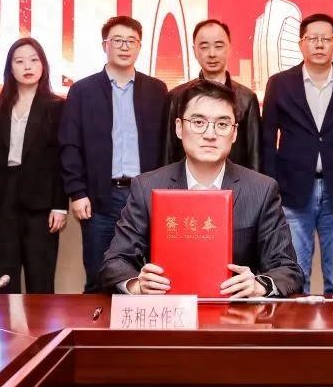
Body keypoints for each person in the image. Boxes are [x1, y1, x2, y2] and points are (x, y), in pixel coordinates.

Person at [99, 80, 304, 297]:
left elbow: (288, 268)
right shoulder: (147, 187)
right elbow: (115, 262)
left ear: (234, 133)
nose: (210, 134)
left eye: (222, 124)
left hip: (236, 311)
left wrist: (258, 286)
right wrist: (137, 285)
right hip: (168, 311)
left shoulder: (261, 190)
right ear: (179, 127)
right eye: (198, 122)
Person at [260, 13, 333, 294]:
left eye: (326, 39)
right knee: (295, 277)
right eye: (312, 38)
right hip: (292, 191)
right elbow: (267, 142)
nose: (319, 44)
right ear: (301, 43)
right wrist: (271, 192)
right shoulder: (279, 83)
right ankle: (297, 325)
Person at [59, 16, 169, 292]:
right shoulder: (82, 90)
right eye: (117, 40)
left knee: (148, 277)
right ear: (104, 45)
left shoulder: (156, 90)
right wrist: (77, 191)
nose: (124, 46)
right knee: (99, 277)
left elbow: (167, 145)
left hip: (145, 197)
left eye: (131, 41)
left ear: (139, 47)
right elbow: (70, 144)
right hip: (100, 198)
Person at [0, 37, 66, 293]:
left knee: (40, 278)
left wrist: (60, 205)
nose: (27, 66)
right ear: (10, 67)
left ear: (43, 65)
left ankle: (39, 322)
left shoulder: (57, 106)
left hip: (41, 200)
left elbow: (62, 159)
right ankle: (4, 321)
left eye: (33, 60)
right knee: (2, 277)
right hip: (2, 198)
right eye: (19, 61)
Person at [165, 19, 261, 171]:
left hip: (234, 181)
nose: (212, 54)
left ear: (229, 48)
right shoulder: (176, 96)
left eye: (218, 46)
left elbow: (254, 154)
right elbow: (168, 153)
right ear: (194, 51)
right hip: (186, 182)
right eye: (204, 47)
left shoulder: (247, 98)